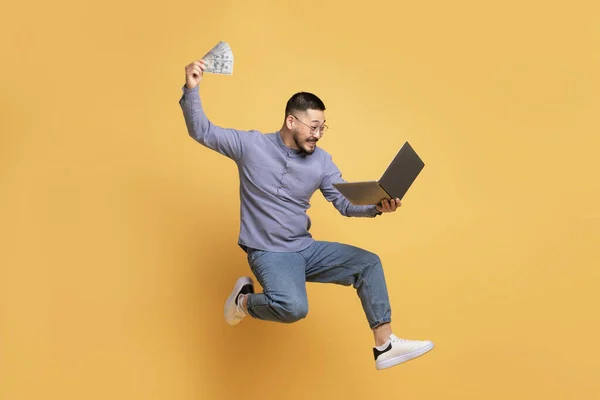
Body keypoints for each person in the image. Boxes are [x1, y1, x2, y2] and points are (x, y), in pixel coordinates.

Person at [179, 59, 434, 370]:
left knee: (368, 263)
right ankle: (243, 301)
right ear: (291, 122)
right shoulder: (250, 145)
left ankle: (384, 344)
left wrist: (376, 207)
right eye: (314, 127)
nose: (318, 134)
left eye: (322, 127)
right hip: (268, 252)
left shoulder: (322, 161)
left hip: (304, 249)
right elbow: (202, 131)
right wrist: (192, 88)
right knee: (294, 307)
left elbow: (345, 203)